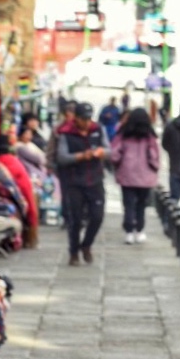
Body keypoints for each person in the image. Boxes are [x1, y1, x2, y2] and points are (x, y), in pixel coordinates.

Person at [55, 102, 108, 265]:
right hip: (74, 181)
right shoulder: (66, 134)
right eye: (83, 119)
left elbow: (109, 150)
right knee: (75, 219)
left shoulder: (98, 130)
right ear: (76, 119)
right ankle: (74, 252)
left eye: (88, 119)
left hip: (95, 180)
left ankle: (87, 244)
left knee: (97, 216)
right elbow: (62, 157)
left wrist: (101, 152)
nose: (86, 122)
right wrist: (80, 156)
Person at [110, 106, 160, 243]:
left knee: (128, 204)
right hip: (145, 176)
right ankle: (140, 230)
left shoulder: (123, 135)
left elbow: (114, 154)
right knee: (141, 205)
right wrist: (154, 167)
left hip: (127, 175)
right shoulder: (150, 137)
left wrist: (117, 165)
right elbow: (154, 156)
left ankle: (129, 232)